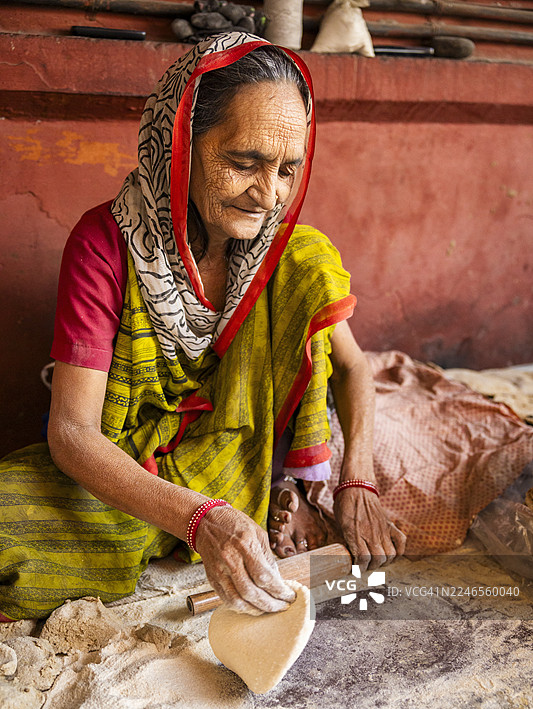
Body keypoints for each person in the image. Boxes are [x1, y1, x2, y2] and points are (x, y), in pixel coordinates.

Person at [0, 32, 405, 623]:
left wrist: (357, 482)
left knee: (310, 258)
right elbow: (73, 433)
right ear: (180, 144)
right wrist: (200, 519)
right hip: (135, 464)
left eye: (288, 170)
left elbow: (350, 366)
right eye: (243, 163)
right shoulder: (106, 245)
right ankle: (241, 510)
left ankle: (284, 489)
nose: (268, 195)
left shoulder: (287, 254)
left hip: (244, 453)